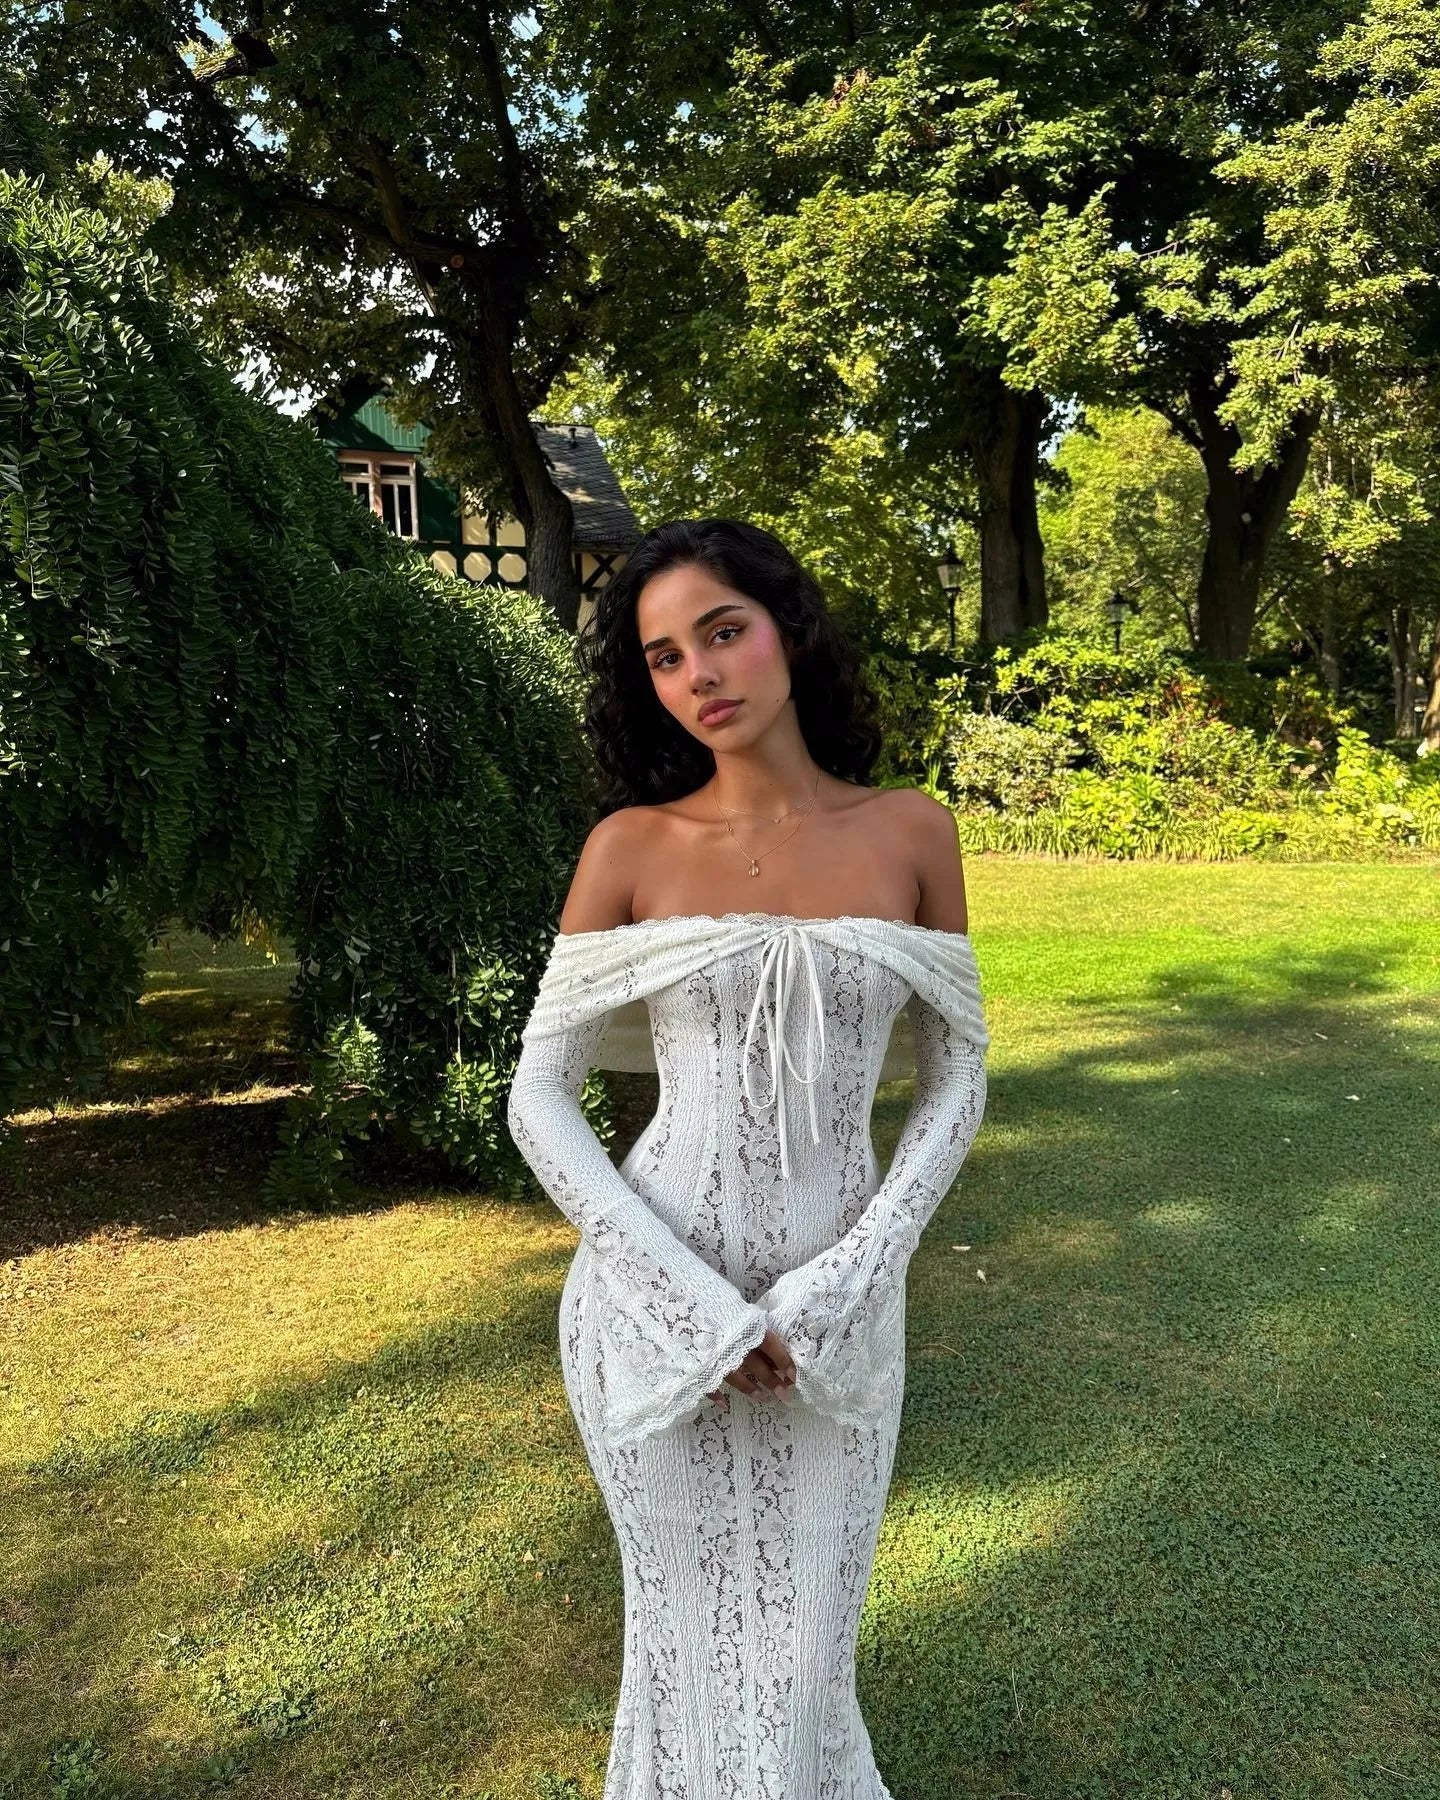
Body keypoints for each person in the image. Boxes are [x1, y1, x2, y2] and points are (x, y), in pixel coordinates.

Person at [505, 519, 990, 1799]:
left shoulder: (912, 833)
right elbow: (539, 1098)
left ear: (791, 629)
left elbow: (958, 1075)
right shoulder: (631, 847)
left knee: (810, 1650)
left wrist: (849, 1280)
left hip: (843, 1316)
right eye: (665, 657)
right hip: (651, 1311)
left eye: (723, 631)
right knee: (682, 1640)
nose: (700, 674)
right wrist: (698, 1313)